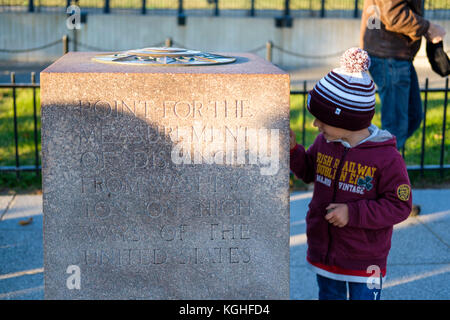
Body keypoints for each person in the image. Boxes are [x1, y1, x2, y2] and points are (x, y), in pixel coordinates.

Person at [290, 48, 412, 300]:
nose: (316, 125)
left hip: (366, 259)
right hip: (325, 251)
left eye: (322, 119)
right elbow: (309, 170)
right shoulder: (325, 143)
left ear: (348, 120)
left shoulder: (386, 158)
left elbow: (399, 205)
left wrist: (352, 213)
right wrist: (292, 150)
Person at [360, 0, 446, 150]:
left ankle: (378, 162)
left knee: (412, 116)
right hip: (389, 56)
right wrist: (428, 27)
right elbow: (394, 15)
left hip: (395, 54)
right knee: (395, 128)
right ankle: (383, 169)